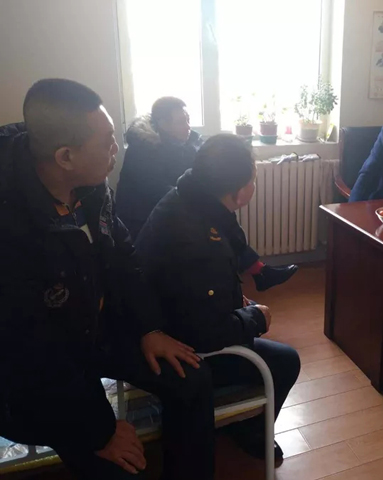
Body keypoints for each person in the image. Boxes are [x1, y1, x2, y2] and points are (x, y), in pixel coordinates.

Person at [0, 79, 216, 480]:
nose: (117, 150)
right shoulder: (11, 226)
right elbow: (31, 347)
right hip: (29, 376)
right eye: (108, 143)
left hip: (94, 329)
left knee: (190, 377)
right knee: (115, 462)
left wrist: (149, 328)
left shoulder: (92, 186)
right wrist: (99, 428)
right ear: (66, 157)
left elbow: (123, 258)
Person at [136, 134, 301, 462]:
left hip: (160, 322)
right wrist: (256, 317)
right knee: (286, 360)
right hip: (183, 351)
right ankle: (250, 431)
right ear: (239, 193)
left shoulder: (185, 197)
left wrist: (232, 297)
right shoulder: (197, 240)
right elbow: (208, 332)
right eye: (253, 180)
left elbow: (199, 288)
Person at [117, 96, 297, 291]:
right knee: (215, 214)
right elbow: (157, 190)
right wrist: (204, 199)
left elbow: (202, 176)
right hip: (144, 218)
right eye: (181, 122)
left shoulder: (188, 142)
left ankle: (255, 272)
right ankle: (253, 273)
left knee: (220, 209)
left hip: (180, 202)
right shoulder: (143, 150)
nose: (188, 126)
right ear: (162, 124)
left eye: (188, 120)